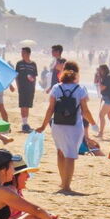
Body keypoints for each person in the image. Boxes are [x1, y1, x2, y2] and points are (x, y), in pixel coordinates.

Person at [36, 62, 96, 194]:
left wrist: (43, 126)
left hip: (57, 125)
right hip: (74, 126)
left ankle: (63, 182)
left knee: (60, 152)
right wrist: (93, 123)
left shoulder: (56, 88)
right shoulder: (80, 89)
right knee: (70, 154)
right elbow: (85, 111)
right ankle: (67, 186)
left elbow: (50, 109)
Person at [15, 47, 38, 132]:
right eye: (21, 52)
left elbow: (34, 77)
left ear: (28, 54)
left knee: (27, 106)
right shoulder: (19, 63)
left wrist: (34, 87)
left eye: (23, 53)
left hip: (30, 88)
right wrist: (18, 87)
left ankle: (25, 123)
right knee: (22, 106)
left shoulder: (33, 64)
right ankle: (24, 124)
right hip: (22, 88)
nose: (22, 54)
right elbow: (16, 76)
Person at [96, 64, 110, 139]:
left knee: (101, 115)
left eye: (100, 70)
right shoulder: (108, 76)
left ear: (103, 70)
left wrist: (99, 79)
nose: (99, 71)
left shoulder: (107, 77)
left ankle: (101, 133)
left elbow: (102, 88)